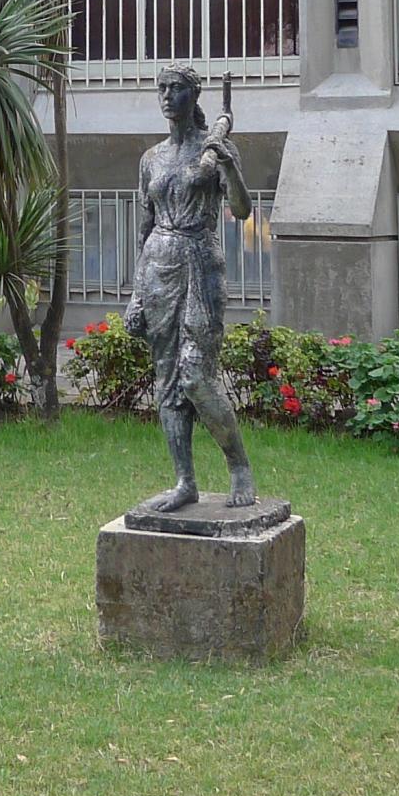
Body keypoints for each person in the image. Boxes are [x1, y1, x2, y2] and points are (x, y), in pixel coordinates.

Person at [124, 64, 258, 513]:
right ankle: (185, 481)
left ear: (193, 95)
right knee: (167, 382)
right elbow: (144, 229)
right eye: (161, 88)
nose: (166, 95)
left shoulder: (213, 148)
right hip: (158, 270)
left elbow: (241, 209)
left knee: (197, 377)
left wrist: (229, 166)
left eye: (176, 88)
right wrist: (136, 294)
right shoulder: (151, 158)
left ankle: (239, 467)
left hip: (201, 266)